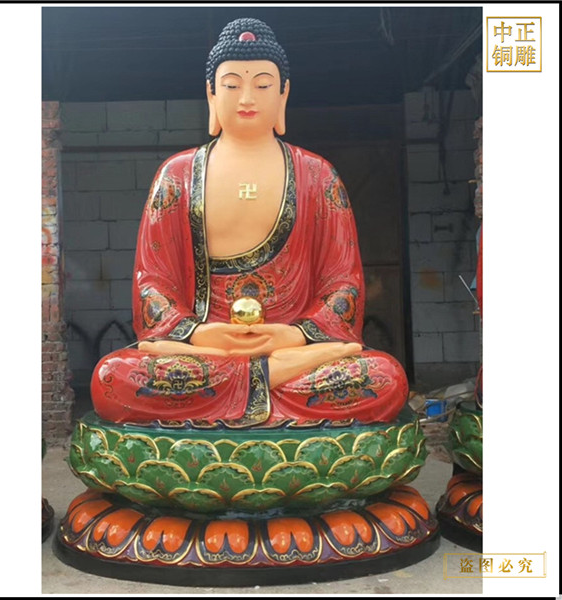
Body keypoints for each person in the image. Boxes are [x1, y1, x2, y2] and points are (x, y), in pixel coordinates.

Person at [91, 18, 408, 428]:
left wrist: (294, 335)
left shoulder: (318, 176)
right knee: (112, 379)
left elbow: (342, 285)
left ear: (283, 94)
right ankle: (265, 381)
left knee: (385, 378)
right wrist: (199, 334)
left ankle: (245, 386)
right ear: (211, 93)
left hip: (291, 349)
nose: (246, 98)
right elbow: (152, 284)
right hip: (208, 352)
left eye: (262, 85)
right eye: (231, 85)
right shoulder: (177, 176)